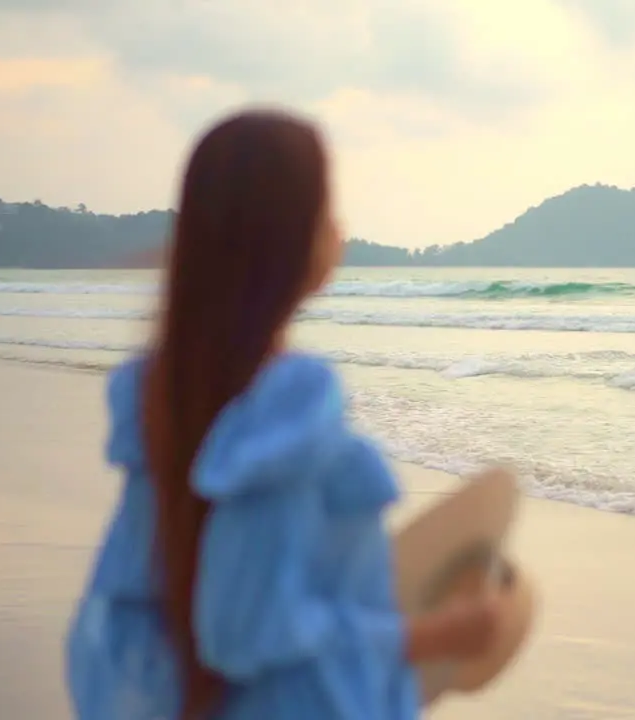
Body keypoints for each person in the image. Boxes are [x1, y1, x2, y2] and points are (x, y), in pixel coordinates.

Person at [65, 108, 504, 720]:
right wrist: (435, 638)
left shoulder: (162, 391)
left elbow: (137, 613)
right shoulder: (287, 404)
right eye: (326, 209)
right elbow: (242, 630)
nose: (339, 228)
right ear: (292, 237)